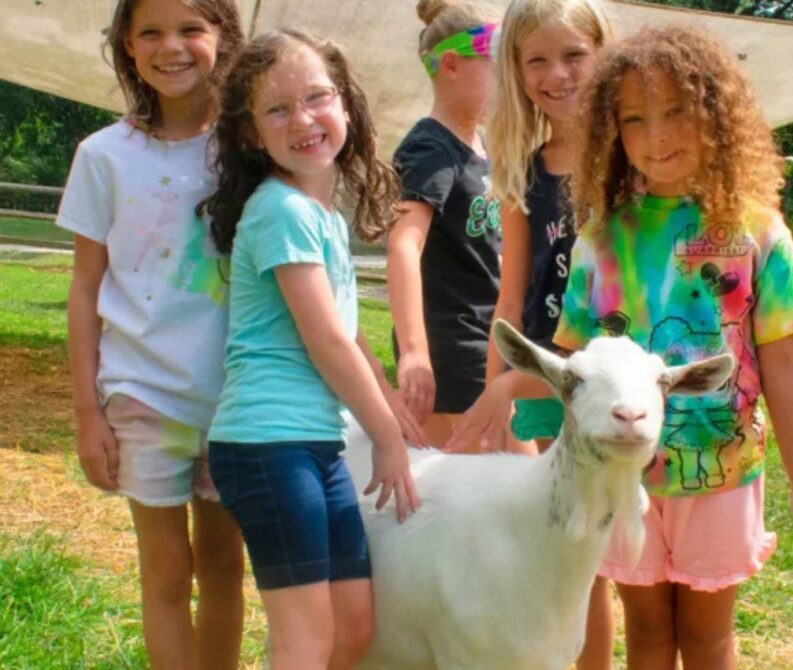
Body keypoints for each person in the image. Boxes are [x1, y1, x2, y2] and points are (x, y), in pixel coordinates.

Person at [556, 27, 793, 669]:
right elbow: (570, 363)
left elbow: (785, 373)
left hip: (723, 476)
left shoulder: (759, 233)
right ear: (610, 133)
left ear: (715, 113)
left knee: (708, 639)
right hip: (623, 476)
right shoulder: (600, 240)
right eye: (635, 118)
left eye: (677, 110)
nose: (657, 135)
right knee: (646, 634)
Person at [199, 29, 421, 669]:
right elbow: (324, 340)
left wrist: (388, 402)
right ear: (250, 134)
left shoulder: (320, 216)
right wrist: (386, 436)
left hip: (312, 444)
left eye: (317, 97)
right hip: (267, 444)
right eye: (277, 109)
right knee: (305, 639)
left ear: (345, 105)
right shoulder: (281, 211)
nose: (302, 119)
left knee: (353, 629)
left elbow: (348, 333)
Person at [57, 1, 246, 667]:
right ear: (126, 48)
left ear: (222, 38)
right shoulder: (102, 156)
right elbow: (84, 288)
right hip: (142, 396)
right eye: (151, 32)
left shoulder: (252, 149)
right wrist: (87, 413)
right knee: (166, 572)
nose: (173, 46)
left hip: (237, 399)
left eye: (192, 28)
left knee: (225, 565)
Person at [445, 1, 616, 667]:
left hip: (625, 384)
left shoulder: (636, 155)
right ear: (514, 71)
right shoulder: (521, 169)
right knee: (583, 562)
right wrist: (498, 397)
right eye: (536, 60)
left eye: (573, 54)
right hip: (549, 384)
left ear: (604, 50)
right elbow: (511, 295)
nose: (557, 74)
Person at [387, 0, 505, 447]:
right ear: (452, 64)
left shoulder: (482, 145)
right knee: (465, 491)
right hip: (452, 350)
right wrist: (416, 354)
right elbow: (403, 246)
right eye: (499, 67)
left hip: (488, 340)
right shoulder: (431, 148)